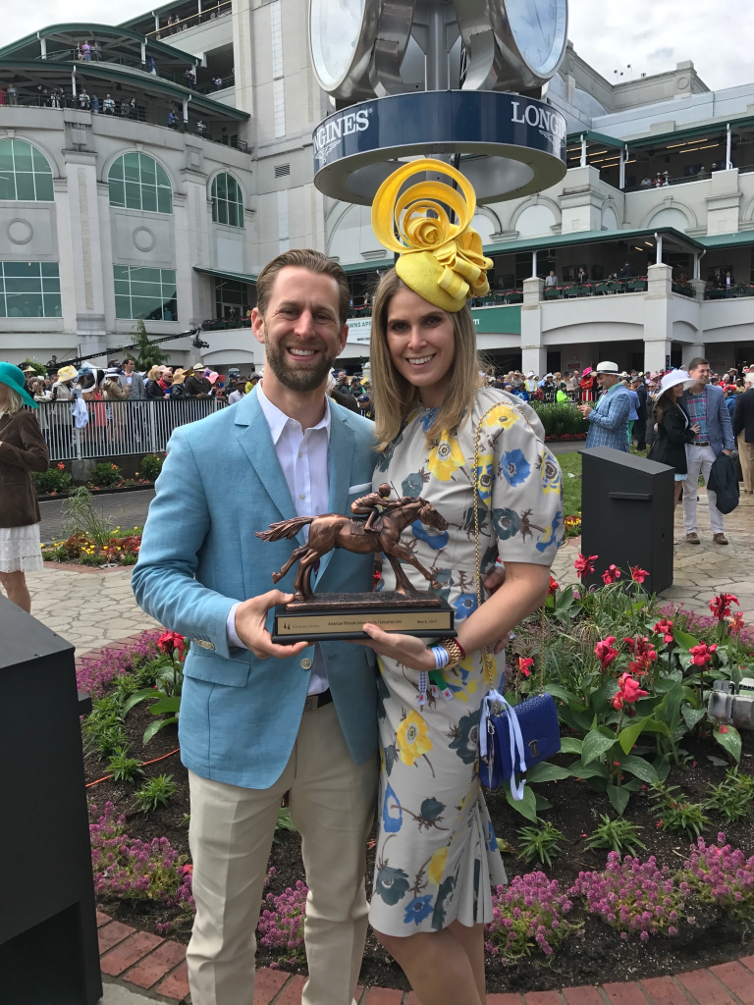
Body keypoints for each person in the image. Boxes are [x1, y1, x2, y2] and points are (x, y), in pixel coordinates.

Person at [132, 247, 383, 1005]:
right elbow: (155, 574)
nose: (305, 328)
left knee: (342, 912)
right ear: (258, 323)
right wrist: (230, 618)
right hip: (235, 721)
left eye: (322, 315)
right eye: (290, 312)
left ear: (343, 334)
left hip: (341, 722)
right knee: (221, 933)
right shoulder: (201, 445)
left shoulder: (371, 442)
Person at [362, 159, 562, 1005]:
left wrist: (443, 650)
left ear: (461, 324)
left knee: (398, 920)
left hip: (447, 693)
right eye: (399, 325)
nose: (415, 340)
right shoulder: (402, 427)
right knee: (452, 899)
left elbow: (530, 579)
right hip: (396, 688)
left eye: (431, 322)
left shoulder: (501, 422)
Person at [0, 363, 49, 613]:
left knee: (11, 578)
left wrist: (3, 448)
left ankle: (21, 632)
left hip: (11, 508)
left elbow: (40, 461)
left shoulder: (22, 418)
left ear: (8, 388)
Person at [681, 357, 735, 545]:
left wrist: (729, 446)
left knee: (715, 490)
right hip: (690, 448)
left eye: (707, 370)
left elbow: (725, 420)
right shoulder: (682, 394)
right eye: (702, 371)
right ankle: (690, 530)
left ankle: (718, 531)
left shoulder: (716, 392)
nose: (706, 374)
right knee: (689, 492)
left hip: (712, 449)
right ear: (691, 373)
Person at [647, 371, 698, 506]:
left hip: (669, 453)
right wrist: (691, 433)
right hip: (670, 455)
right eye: (677, 386)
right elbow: (676, 435)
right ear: (669, 389)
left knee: (670, 494)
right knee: (670, 495)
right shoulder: (669, 409)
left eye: (681, 384)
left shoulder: (673, 405)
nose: (681, 387)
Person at [578, 361, 632, 451]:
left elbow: (612, 423)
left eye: (601, 378)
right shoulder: (607, 392)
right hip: (600, 448)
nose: (598, 382)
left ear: (611, 376)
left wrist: (591, 413)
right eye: (597, 379)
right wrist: (588, 412)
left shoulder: (621, 395)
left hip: (611, 449)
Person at [733, 370, 754, 494]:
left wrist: (735, 432)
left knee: (747, 461)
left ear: (749, 383)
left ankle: (749, 487)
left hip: (746, 432)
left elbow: (737, 417)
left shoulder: (742, 397)